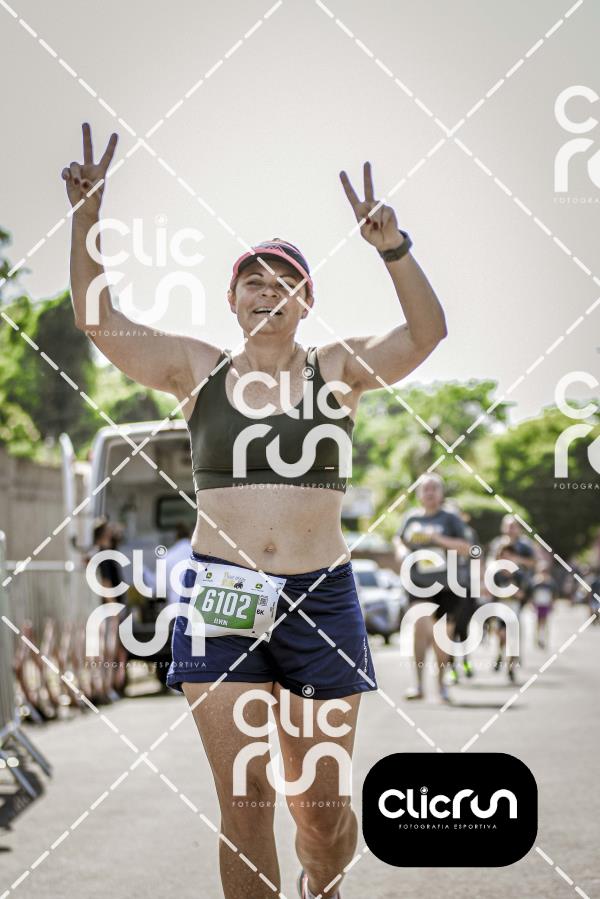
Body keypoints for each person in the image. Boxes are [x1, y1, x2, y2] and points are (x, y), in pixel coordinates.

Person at [64, 124, 447, 899]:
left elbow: (426, 333)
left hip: (320, 597)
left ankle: (320, 878)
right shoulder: (196, 369)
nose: (268, 290)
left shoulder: (337, 370)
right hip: (222, 594)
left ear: (307, 301)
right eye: (253, 280)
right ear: (232, 299)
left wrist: (394, 248)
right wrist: (86, 218)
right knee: (245, 801)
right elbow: (98, 321)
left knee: (323, 812)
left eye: (285, 281)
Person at [394, 475, 471, 702]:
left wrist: (436, 538)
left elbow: (466, 547)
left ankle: (441, 685)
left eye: (434, 488)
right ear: (419, 494)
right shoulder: (411, 518)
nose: (429, 492)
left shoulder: (451, 518)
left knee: (443, 636)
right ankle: (418, 685)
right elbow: (399, 540)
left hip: (448, 586)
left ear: (441, 493)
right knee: (419, 627)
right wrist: (401, 552)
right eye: (425, 489)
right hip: (419, 584)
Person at [487, 515, 536, 682]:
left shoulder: (525, 545)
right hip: (500, 597)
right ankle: (501, 654)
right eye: (508, 526)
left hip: (518, 596)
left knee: (514, 630)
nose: (510, 529)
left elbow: (533, 563)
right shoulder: (497, 544)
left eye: (513, 526)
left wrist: (517, 561)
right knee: (501, 631)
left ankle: (511, 663)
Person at [530, 560, 558, 649]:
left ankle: (544, 639)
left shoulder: (550, 582)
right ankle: (537, 638)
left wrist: (553, 604)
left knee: (545, 622)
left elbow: (554, 594)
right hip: (538, 604)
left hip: (546, 604)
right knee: (538, 622)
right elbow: (532, 594)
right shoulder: (535, 581)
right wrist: (531, 604)